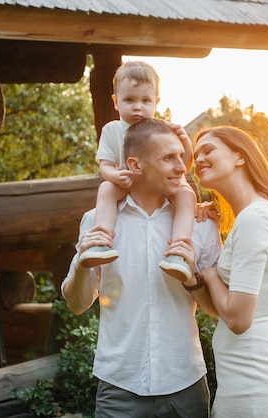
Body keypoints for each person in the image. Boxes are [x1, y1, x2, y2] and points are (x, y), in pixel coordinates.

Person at [61, 118, 222, 417]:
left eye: (180, 156)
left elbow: (216, 309)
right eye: (168, 158)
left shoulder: (199, 225)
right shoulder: (97, 222)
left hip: (185, 384)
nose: (182, 167)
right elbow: (76, 304)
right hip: (119, 387)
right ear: (135, 165)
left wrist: (194, 278)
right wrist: (83, 265)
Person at [186, 126, 268, 417]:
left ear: (240, 156)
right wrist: (192, 278)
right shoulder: (256, 215)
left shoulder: (255, 218)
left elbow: (238, 319)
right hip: (244, 375)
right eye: (195, 155)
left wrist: (210, 273)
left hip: (250, 381)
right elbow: (222, 310)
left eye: (208, 150)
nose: (198, 159)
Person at [79, 60, 197, 282]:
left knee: (186, 194)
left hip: (161, 184)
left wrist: (185, 141)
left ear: (156, 102)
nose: (137, 107)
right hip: (127, 183)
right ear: (115, 102)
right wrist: (115, 176)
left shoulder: (162, 130)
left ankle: (178, 251)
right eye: (129, 100)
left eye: (145, 101)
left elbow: (184, 166)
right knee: (106, 189)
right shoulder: (112, 129)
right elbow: (104, 165)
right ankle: (102, 241)